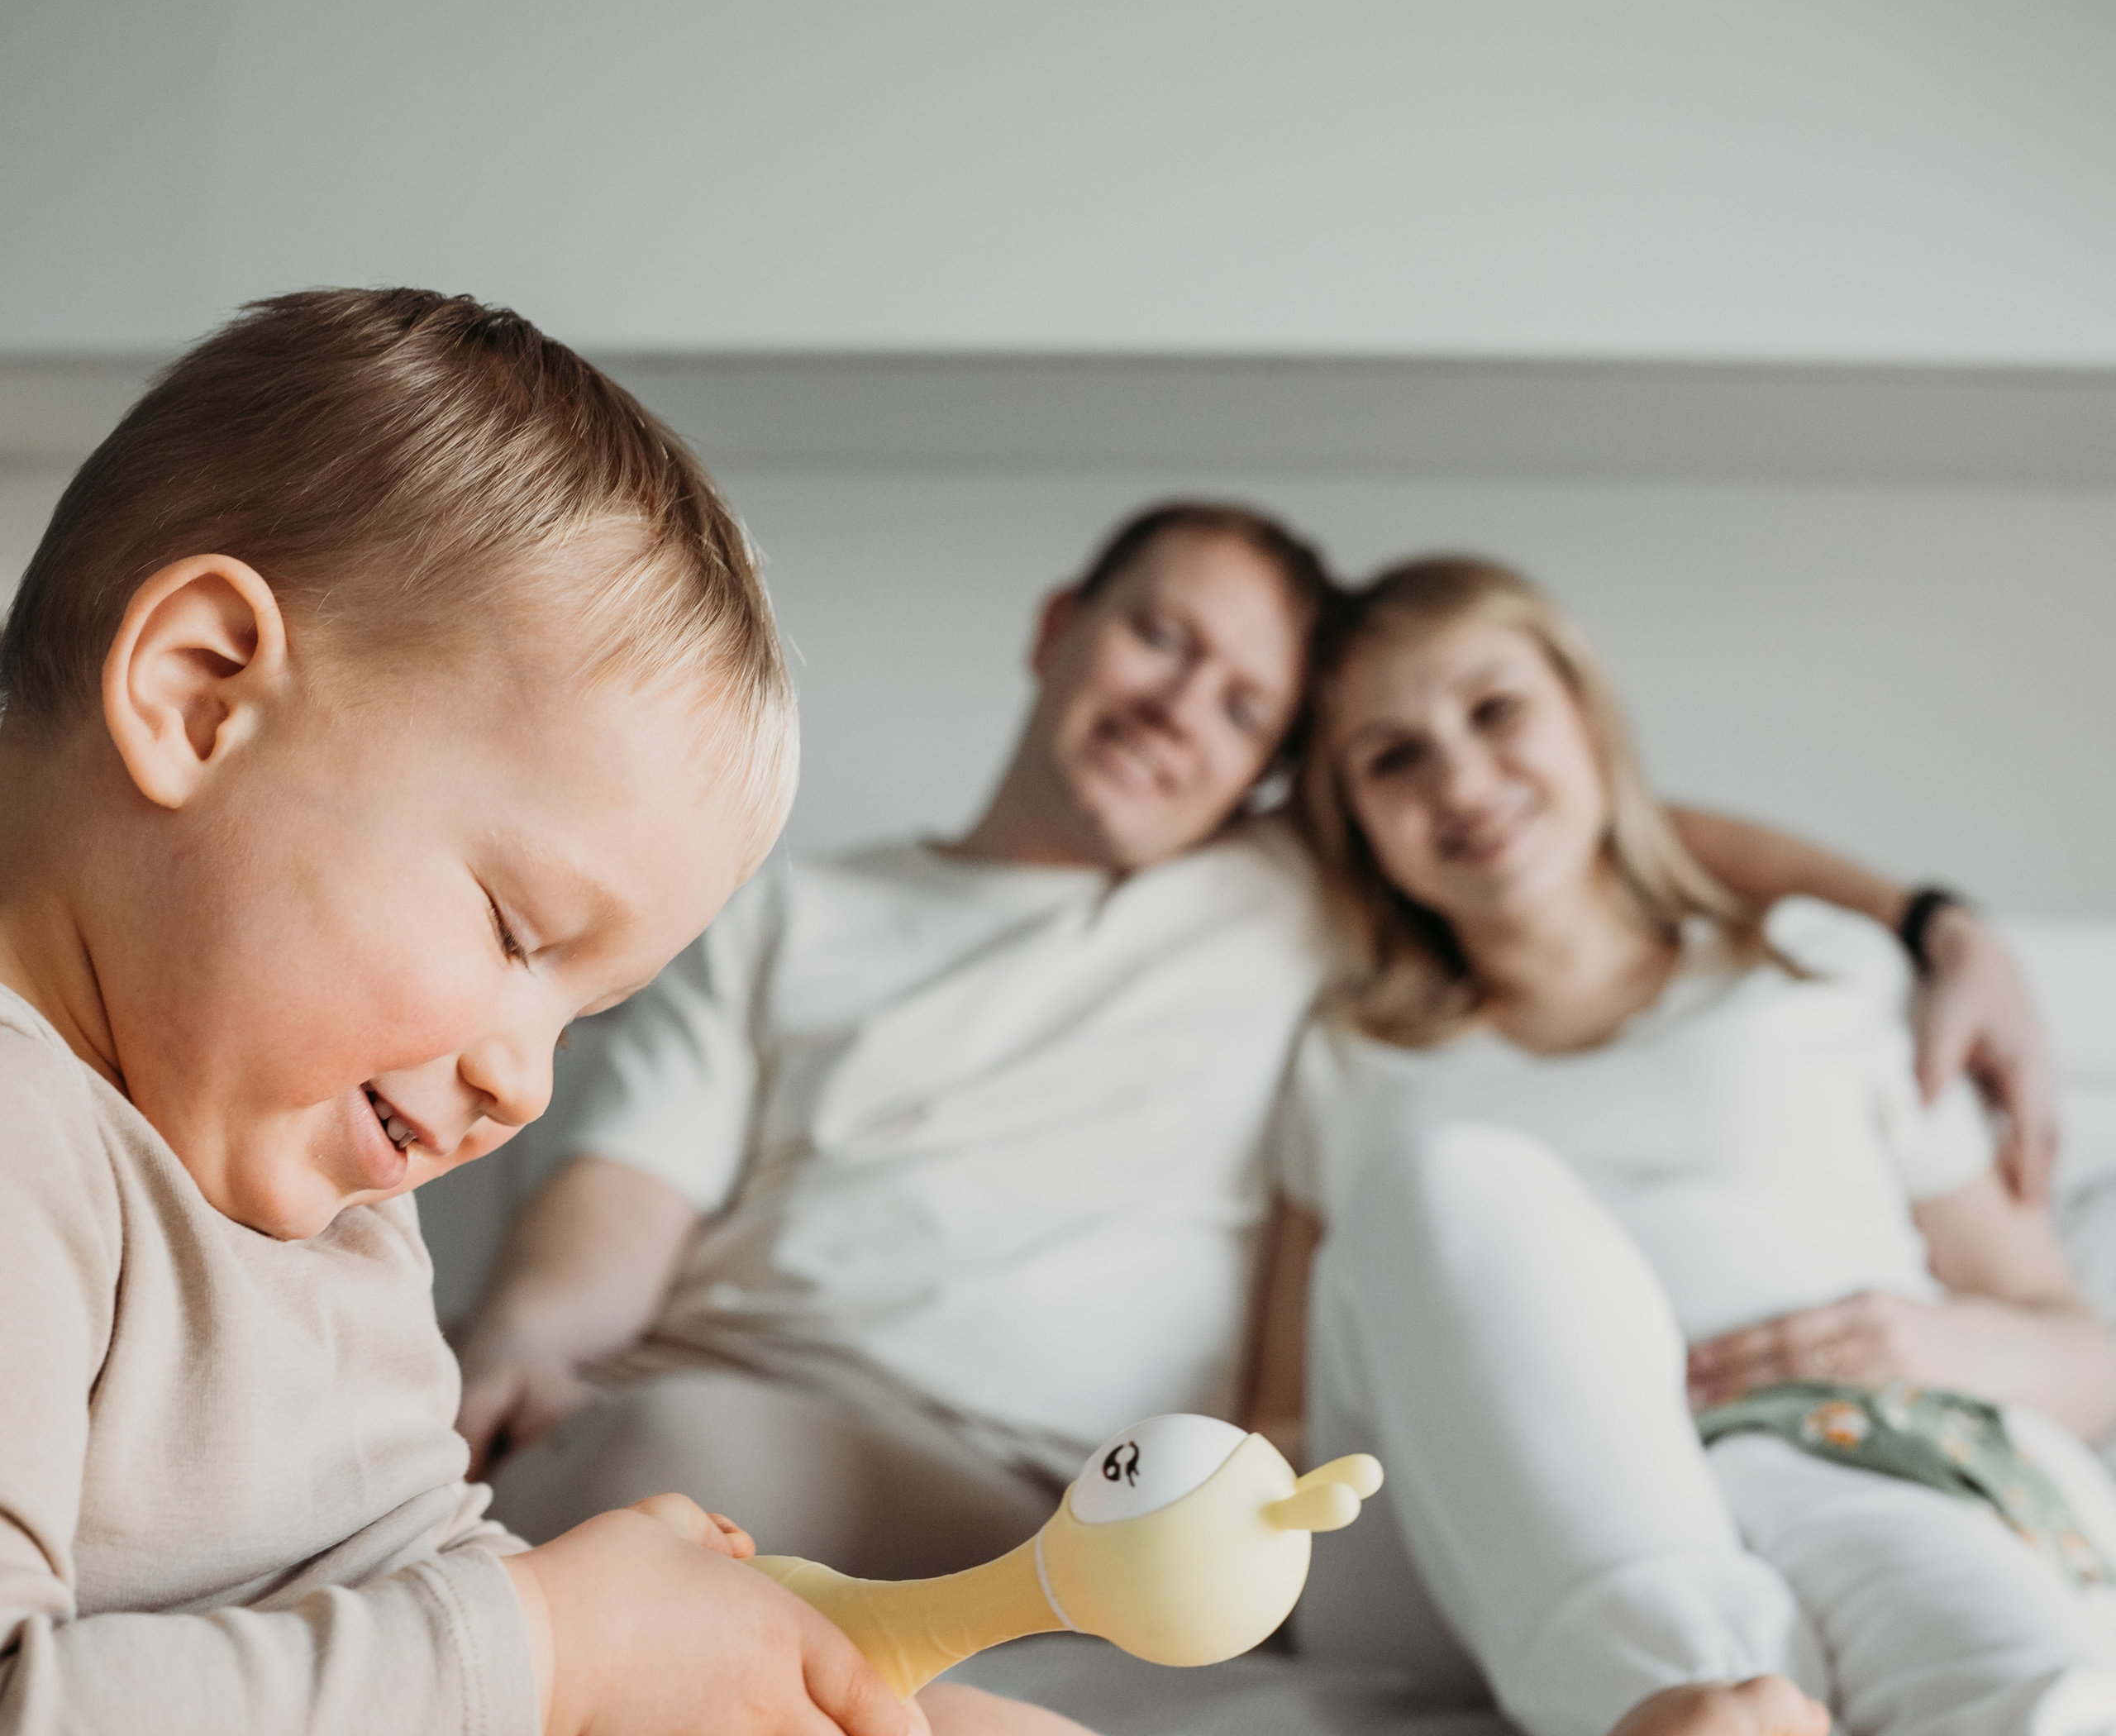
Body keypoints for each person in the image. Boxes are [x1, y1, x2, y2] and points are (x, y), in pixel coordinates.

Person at [0, 287, 1829, 1736]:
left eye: (579, 1008)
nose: (521, 1075)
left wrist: (606, 1674)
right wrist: (547, 1653)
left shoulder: (288, 1140)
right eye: (516, 933)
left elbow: (367, 1578)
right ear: (199, 692)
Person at [455, 508, 2061, 1578]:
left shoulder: (1285, 889)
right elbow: (627, 1185)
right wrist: (527, 1336)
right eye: (1161, 638)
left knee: (656, 1481)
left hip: (1065, 1486)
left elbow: (1592, 821)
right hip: (746, 1394)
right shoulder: (789, 908)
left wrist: (1932, 922)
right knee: (591, 1441)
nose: (1182, 709)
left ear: (1272, 778)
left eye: (1242, 708)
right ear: (1059, 625)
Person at [1247, 551, 2116, 1736]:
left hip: (1847, 1431)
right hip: (1489, 1516)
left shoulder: (1818, 977)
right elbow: (1277, 1418)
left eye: (1495, 710)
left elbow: (2083, 1350)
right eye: (1390, 757)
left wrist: (1931, 1341)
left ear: (1587, 719)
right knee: (1445, 1179)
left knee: (1980, 1641)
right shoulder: (1353, 1061)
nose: (1460, 779)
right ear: (1349, 820)